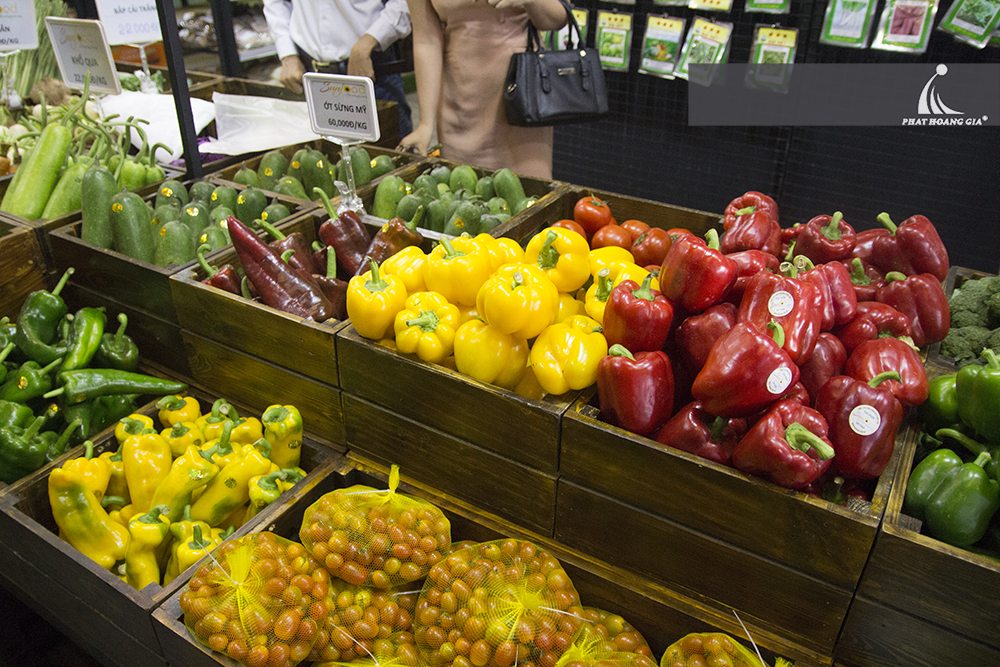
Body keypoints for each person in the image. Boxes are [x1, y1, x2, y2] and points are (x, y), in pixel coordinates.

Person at [398, 0, 567, 179]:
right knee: (464, 193)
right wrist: (425, 124)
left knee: (528, 193)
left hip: (522, 98)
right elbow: (427, 41)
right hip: (460, 102)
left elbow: (557, 20)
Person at [262, 0, 414, 137]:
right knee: (325, 161)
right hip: (311, 77)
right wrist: (287, 54)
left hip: (372, 71)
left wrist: (369, 41)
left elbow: (405, 2)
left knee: (391, 159)